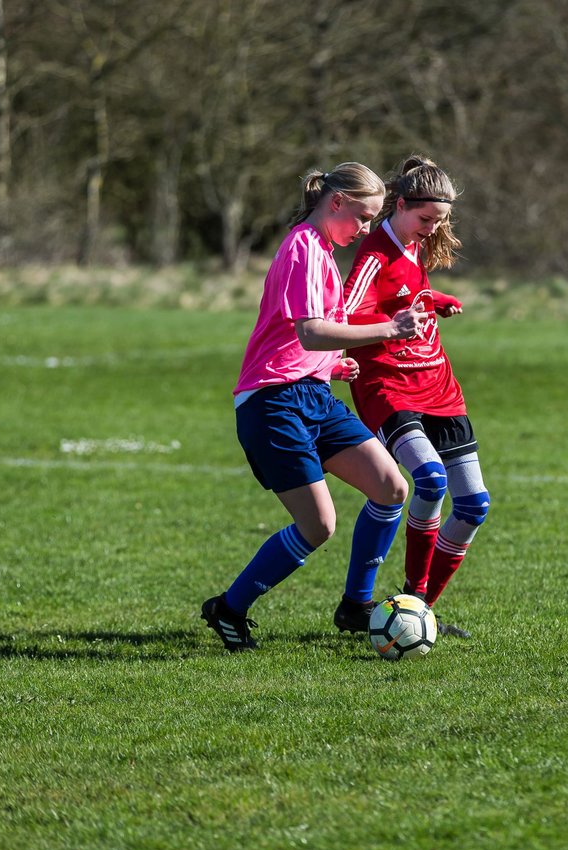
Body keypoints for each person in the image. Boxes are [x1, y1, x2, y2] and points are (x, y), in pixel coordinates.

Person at [200, 163, 429, 652]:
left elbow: (306, 341)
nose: (366, 229)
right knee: (318, 526)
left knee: (391, 488)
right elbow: (311, 330)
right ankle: (229, 608)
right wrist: (388, 329)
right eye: (363, 217)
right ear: (337, 202)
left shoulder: (323, 249)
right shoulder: (303, 247)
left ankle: (357, 606)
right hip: (272, 403)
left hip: (313, 395)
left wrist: (329, 366)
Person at [341, 155, 489, 637]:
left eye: (440, 222)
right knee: (428, 479)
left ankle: (419, 606)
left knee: (474, 506)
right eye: (425, 219)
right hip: (389, 386)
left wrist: (432, 299)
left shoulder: (413, 245)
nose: (431, 230)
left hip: (439, 386)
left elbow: (407, 293)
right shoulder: (373, 255)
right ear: (399, 205)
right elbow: (341, 318)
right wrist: (398, 319)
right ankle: (408, 602)